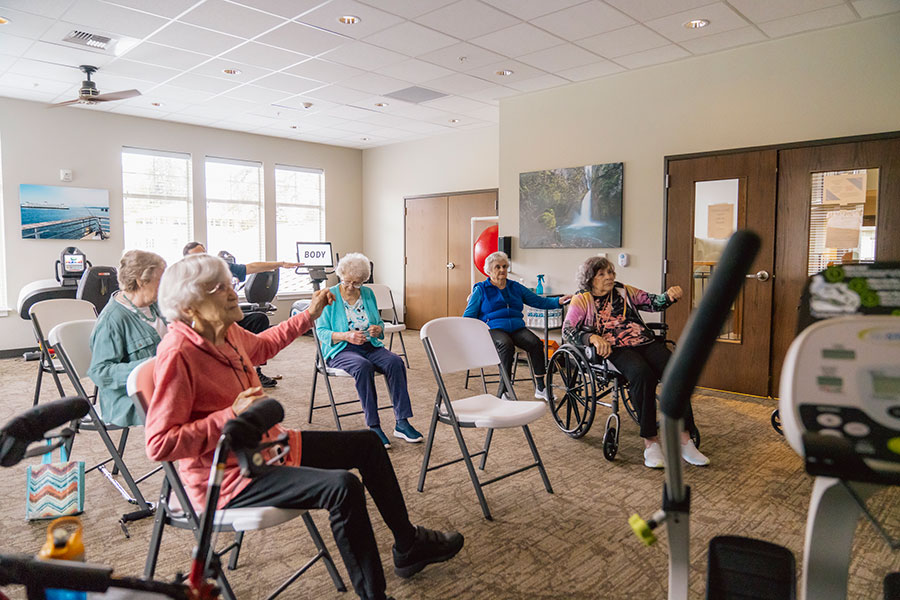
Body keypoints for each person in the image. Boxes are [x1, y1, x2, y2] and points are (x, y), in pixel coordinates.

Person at [148, 253, 463, 600]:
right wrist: (228, 417)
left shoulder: (225, 332)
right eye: (218, 287)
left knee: (367, 445)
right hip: (227, 478)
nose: (233, 291)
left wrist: (309, 316)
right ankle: (375, 596)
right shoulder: (177, 353)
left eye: (228, 282)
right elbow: (160, 443)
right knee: (342, 487)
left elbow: (264, 346)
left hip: (269, 448)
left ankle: (408, 544)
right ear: (190, 308)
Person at [562, 256, 709, 469]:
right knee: (642, 375)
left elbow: (653, 302)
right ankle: (651, 443)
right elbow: (568, 331)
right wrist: (592, 337)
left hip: (643, 340)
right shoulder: (582, 299)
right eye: (602, 274)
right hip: (613, 347)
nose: (609, 277)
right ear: (590, 279)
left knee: (678, 372)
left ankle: (685, 439)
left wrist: (669, 296)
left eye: (610, 272)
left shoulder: (623, 291)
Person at [316, 253, 421, 449]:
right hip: (341, 349)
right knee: (363, 367)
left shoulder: (368, 293)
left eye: (356, 283)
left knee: (395, 362)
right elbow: (321, 332)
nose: (350, 287)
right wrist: (346, 336)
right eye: (347, 281)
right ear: (340, 275)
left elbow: (378, 322)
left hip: (369, 345)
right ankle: (373, 426)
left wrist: (378, 329)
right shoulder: (329, 295)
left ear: (364, 281)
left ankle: (402, 422)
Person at [183, 241, 301, 388]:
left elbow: (251, 267)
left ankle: (255, 370)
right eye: (196, 257)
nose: (201, 259)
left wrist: (281, 264)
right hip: (206, 325)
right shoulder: (185, 280)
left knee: (259, 319)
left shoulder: (220, 267)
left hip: (227, 320)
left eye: (203, 254)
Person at [463, 251, 570, 400]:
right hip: (493, 329)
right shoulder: (481, 290)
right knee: (506, 346)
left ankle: (540, 388)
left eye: (505, 266)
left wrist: (558, 301)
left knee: (536, 343)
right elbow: (468, 316)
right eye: (497, 267)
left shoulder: (515, 287)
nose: (502, 270)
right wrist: (473, 337)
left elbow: (538, 301)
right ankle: (504, 392)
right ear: (488, 270)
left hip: (516, 328)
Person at [87, 250, 167, 428]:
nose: (164, 286)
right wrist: (152, 366)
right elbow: (100, 372)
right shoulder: (112, 320)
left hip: (163, 386)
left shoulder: (156, 306)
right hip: (128, 398)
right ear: (140, 281)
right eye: (159, 281)